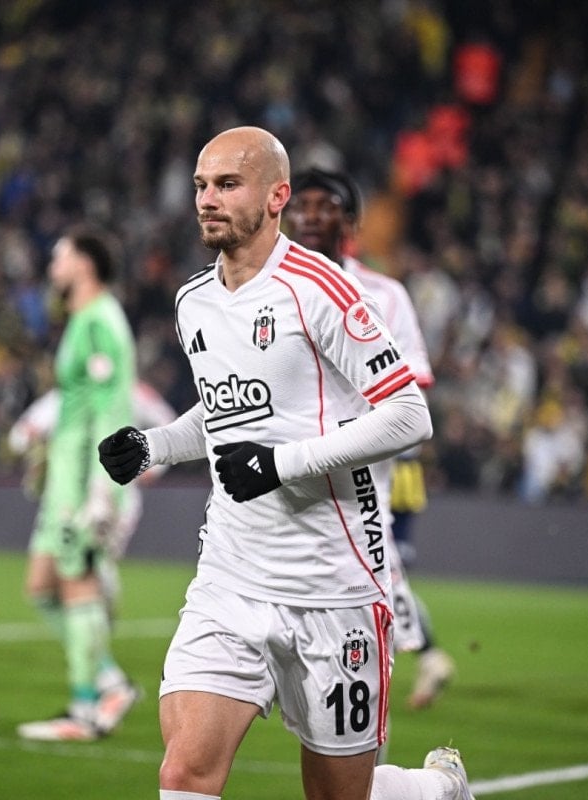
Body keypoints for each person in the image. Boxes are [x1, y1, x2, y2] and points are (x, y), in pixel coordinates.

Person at [98, 126, 473, 800]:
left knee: (339, 796)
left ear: (277, 197)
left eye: (227, 184)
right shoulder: (194, 301)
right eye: (201, 186)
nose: (207, 199)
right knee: (184, 773)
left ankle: (435, 791)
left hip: (332, 584)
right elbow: (226, 413)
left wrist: (282, 464)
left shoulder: (322, 289)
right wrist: (154, 445)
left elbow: (409, 414)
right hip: (231, 578)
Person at [286, 166, 456, 712]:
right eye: (301, 205)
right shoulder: (269, 290)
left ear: (352, 221)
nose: (312, 216)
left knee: (377, 578)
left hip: (368, 473)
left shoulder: (384, 294)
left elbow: (412, 390)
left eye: (326, 205)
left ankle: (403, 673)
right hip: (288, 477)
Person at [14, 227, 141, 743]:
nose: (53, 264)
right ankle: (110, 683)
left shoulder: (99, 322)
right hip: (65, 477)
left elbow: (111, 410)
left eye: (60, 255)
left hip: (85, 482)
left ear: (85, 265)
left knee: (75, 582)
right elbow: (79, 406)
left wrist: (101, 491)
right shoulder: (82, 319)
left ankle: (84, 710)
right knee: (41, 586)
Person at [8, 380, 177, 618]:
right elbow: (20, 435)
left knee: (97, 561)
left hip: (117, 495)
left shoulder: (131, 392)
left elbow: (169, 421)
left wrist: (153, 465)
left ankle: (100, 612)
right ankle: (96, 614)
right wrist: (34, 444)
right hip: (68, 499)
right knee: (63, 574)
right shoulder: (65, 395)